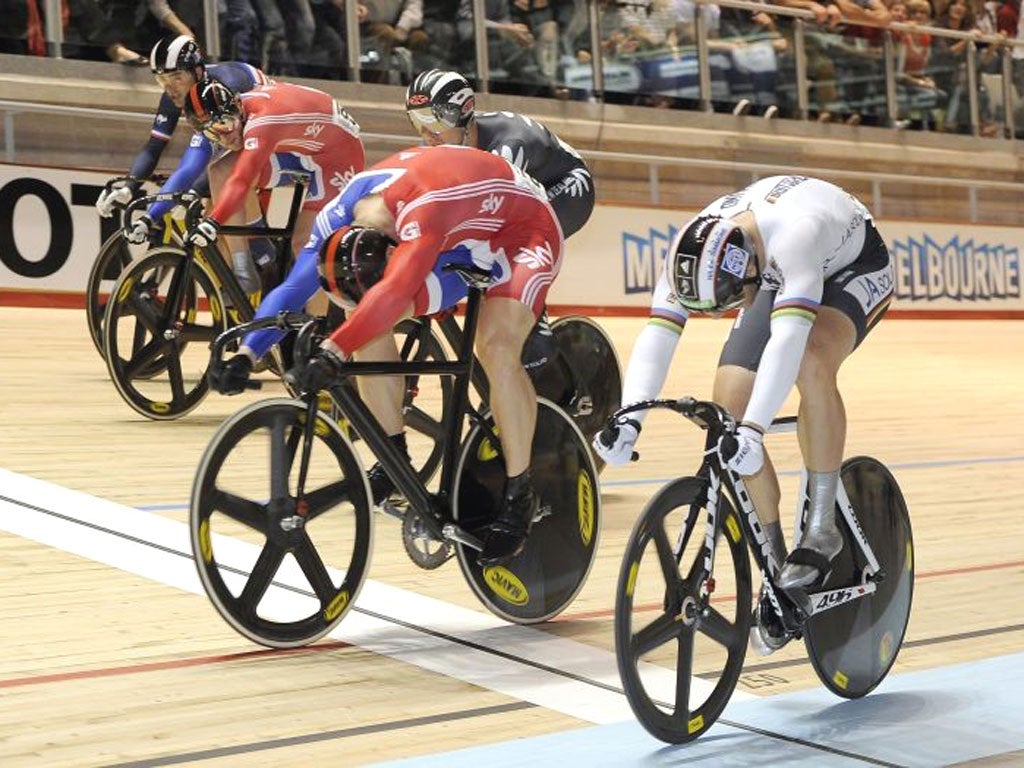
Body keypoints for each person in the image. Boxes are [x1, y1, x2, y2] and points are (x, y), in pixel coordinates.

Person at [593, 175, 893, 655]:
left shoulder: (798, 236)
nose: (738, 311)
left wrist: (755, 429)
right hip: (773, 269)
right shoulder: (690, 250)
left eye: (735, 301)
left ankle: (822, 527)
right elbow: (659, 334)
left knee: (812, 362)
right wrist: (629, 417)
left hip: (852, 265)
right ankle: (777, 572)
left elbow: (788, 343)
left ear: (748, 264)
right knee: (724, 411)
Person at [293, 144, 564, 567]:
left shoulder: (422, 210)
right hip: (461, 238)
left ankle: (520, 493)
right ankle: (393, 458)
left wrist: (332, 349)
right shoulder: (347, 211)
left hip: (523, 232)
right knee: (365, 316)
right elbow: (305, 279)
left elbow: (396, 289)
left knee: (494, 346)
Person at [94, 35, 271, 283]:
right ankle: (234, 294)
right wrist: (130, 185)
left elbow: (196, 165)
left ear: (198, 72)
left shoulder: (221, 89)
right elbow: (154, 147)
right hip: (233, 136)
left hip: (264, 136)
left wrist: (172, 202)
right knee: (210, 203)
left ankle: (258, 253)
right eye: (162, 79)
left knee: (218, 198)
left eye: (177, 77)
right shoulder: (176, 96)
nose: (170, 87)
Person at [180, 76, 365, 296]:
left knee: (307, 244)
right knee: (220, 171)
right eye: (213, 133)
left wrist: (213, 221)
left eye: (225, 124)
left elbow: (242, 179)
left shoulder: (263, 121)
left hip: (337, 157)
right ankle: (244, 270)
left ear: (239, 105)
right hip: (299, 148)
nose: (224, 137)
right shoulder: (239, 110)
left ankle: (318, 325)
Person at [404, 69, 594, 238]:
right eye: (417, 120)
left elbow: (484, 211)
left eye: (434, 121)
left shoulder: (508, 147)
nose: (427, 134)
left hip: (567, 186)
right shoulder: (439, 138)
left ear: (463, 113)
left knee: (502, 243)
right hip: (524, 183)